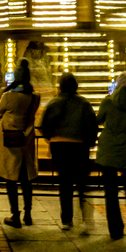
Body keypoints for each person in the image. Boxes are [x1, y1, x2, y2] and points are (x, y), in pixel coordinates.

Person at [40, 73, 97, 231]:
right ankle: (85, 218)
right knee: (81, 182)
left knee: (64, 182)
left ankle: (67, 219)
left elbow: (44, 125)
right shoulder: (83, 104)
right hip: (79, 145)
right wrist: (91, 142)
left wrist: (51, 138)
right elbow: (91, 125)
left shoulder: (53, 103)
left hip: (59, 146)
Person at [0, 62, 41, 228]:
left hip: (11, 141)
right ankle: (28, 214)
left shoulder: (9, 96)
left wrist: (1, 93)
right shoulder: (35, 97)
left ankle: (15, 215)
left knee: (11, 178)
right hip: (26, 140)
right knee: (26, 180)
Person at [96, 71, 126, 241]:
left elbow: (99, 119)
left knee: (110, 192)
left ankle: (116, 230)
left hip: (108, 151)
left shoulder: (108, 102)